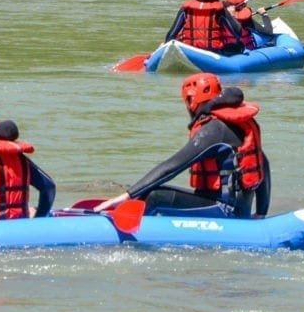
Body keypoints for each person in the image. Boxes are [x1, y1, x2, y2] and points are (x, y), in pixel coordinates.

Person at [98, 72, 271, 218]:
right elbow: (264, 165)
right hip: (236, 208)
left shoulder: (213, 128)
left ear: (191, 101)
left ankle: (130, 229)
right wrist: (260, 212)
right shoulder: (237, 123)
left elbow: (172, 166)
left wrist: (127, 196)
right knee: (143, 192)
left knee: (153, 195)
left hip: (225, 211)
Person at [165, 0, 244, 55]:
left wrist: (166, 46)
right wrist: (233, 15)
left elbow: (172, 33)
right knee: (239, 45)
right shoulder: (220, 9)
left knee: (178, 38)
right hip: (213, 51)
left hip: (189, 50)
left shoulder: (186, 7)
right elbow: (237, 31)